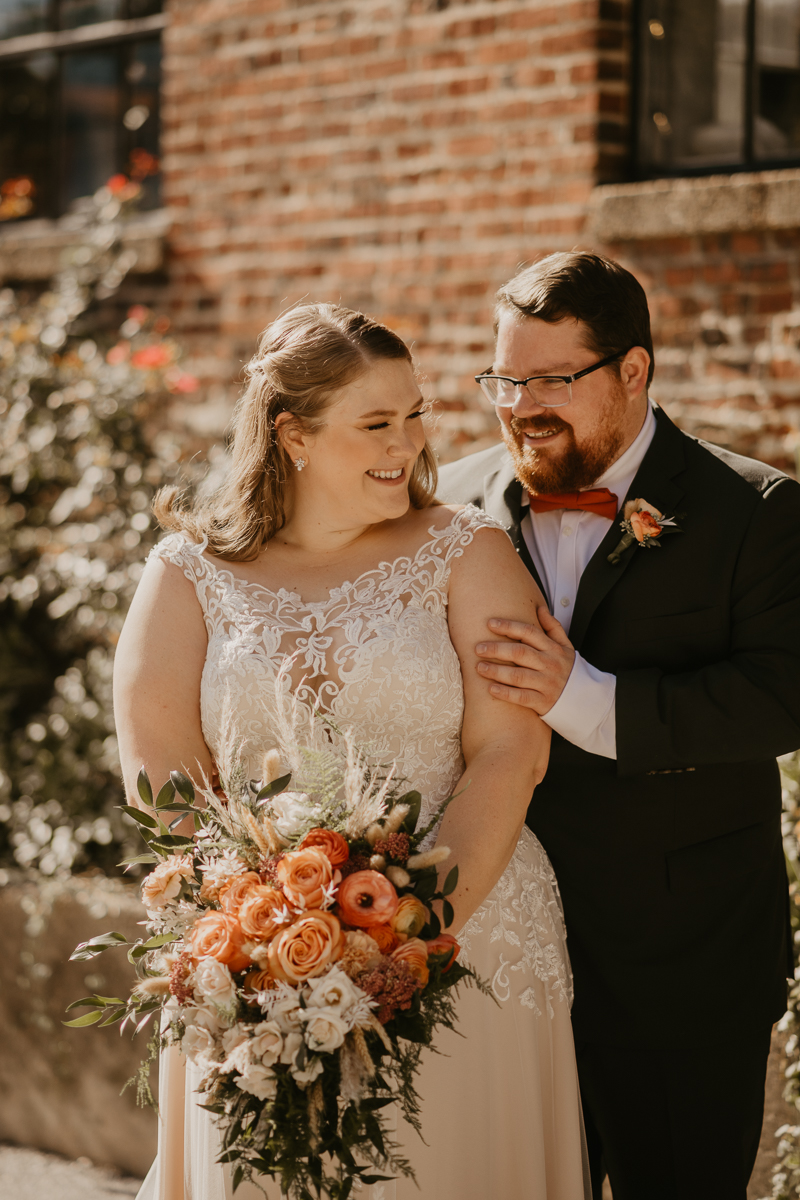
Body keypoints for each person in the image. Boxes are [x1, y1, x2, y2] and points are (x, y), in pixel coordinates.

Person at [114, 303, 591, 1200]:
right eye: (376, 423)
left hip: (471, 937)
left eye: (414, 415)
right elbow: (166, 785)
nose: (406, 443)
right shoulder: (187, 574)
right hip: (255, 963)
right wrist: (256, 942)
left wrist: (405, 937)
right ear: (292, 433)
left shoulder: (467, 550)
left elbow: (511, 752)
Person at [436, 250, 800, 1200]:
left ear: (633, 371)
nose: (520, 405)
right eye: (505, 379)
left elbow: (782, 694)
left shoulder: (754, 513)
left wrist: (582, 697)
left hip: (683, 965)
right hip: (500, 956)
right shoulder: (452, 503)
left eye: (555, 379)